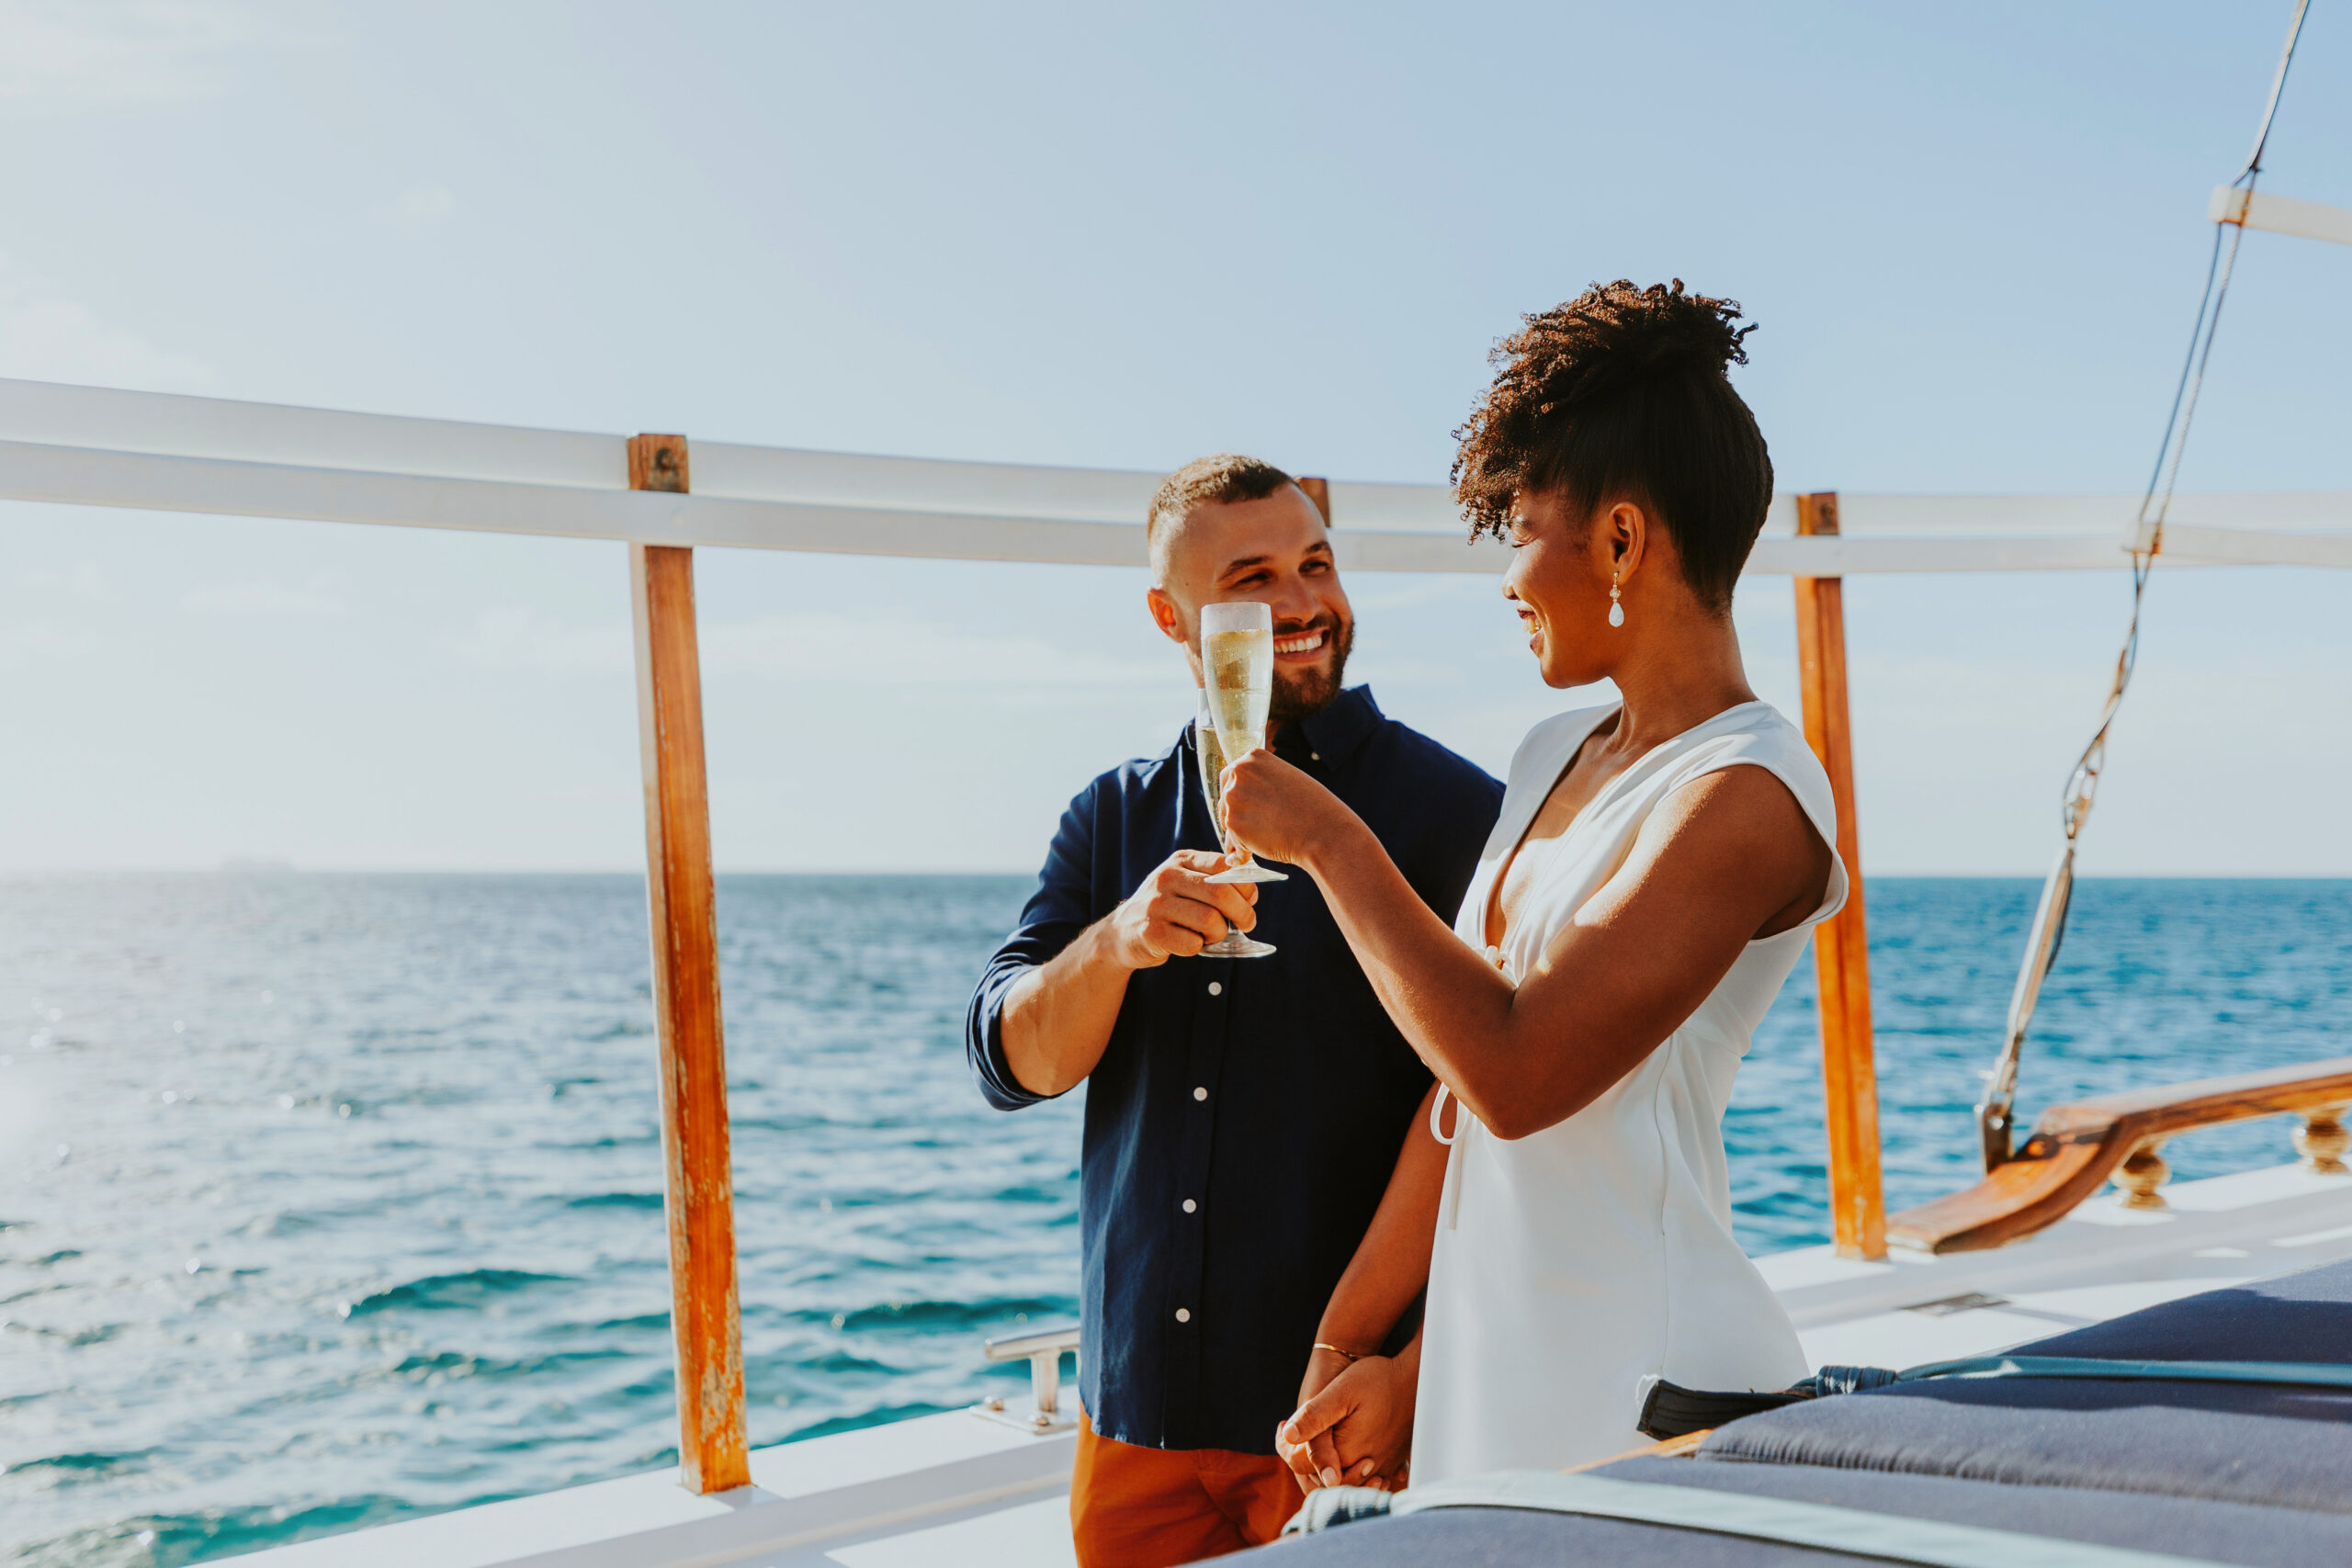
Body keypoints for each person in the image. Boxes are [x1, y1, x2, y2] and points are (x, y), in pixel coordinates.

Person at [1220, 280, 1843, 1489]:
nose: (1506, 578)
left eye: (1517, 530)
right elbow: (1456, 1087)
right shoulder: (1553, 751)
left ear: (1619, 541)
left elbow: (1516, 1072)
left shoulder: (1751, 793)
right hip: (1496, 1373)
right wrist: (1358, 1344)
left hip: (1647, 1390)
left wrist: (1334, 844)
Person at [964, 453, 1501, 1566]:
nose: (1300, 603)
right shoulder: (1112, 815)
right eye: (1253, 579)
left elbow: (1505, 1121)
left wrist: (1414, 1374)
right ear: (1172, 617)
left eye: (1316, 564)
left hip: (1349, 1431)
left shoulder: (1458, 812)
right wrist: (1117, 942)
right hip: (1133, 1427)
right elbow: (1009, 1061)